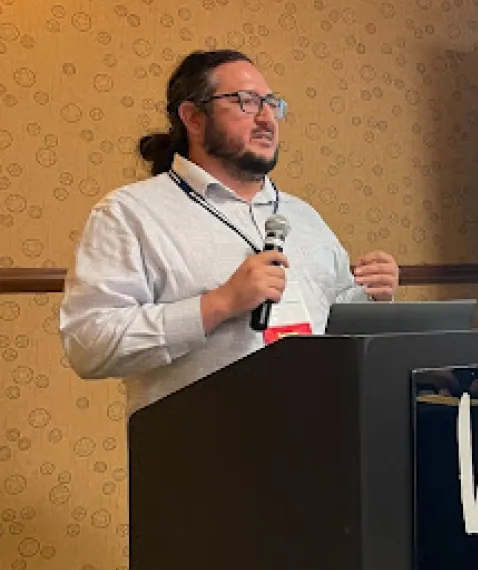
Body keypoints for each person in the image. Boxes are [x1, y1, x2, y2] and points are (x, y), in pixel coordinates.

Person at [60, 49, 400, 414]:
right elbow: (89, 345)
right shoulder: (129, 214)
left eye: (272, 104)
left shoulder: (304, 217)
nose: (267, 118)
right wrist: (219, 304)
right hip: (200, 454)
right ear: (192, 117)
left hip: (314, 439)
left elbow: (328, 325)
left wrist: (369, 296)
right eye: (246, 102)